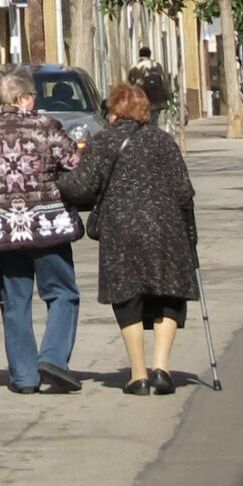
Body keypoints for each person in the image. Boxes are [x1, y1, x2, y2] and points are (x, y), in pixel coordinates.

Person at [0, 64, 83, 394]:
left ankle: (24, 376)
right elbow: (76, 167)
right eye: (33, 95)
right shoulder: (46, 128)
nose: (35, 102)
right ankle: (52, 357)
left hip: (1, 233)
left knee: (15, 300)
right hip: (48, 226)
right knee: (62, 293)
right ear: (22, 97)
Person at [61, 82, 198, 395]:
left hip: (121, 231)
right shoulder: (163, 141)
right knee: (168, 295)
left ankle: (138, 375)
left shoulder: (104, 141)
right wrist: (191, 237)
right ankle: (161, 369)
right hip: (166, 229)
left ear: (113, 112)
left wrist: (58, 180)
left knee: (128, 298)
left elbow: (80, 187)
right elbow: (183, 191)